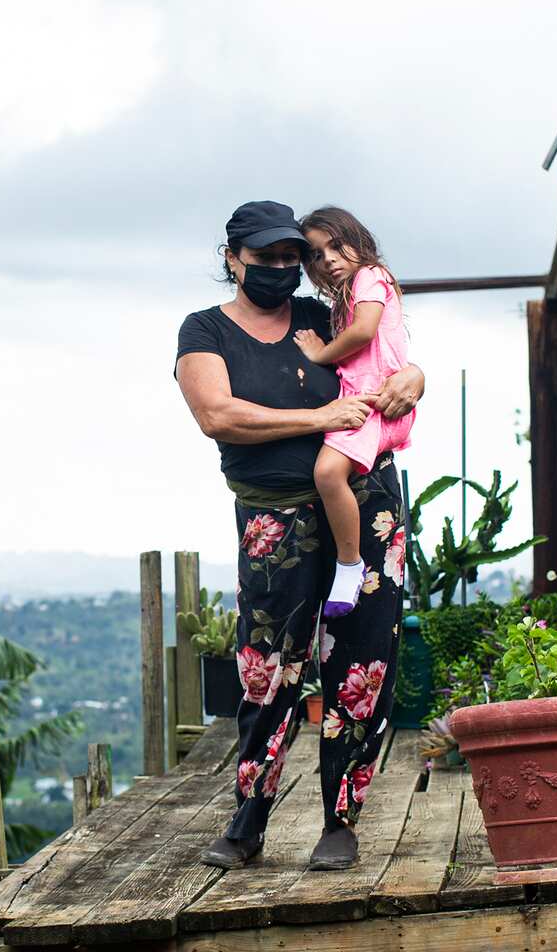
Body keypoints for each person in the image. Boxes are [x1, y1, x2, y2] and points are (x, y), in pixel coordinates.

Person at [175, 200, 425, 873]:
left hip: (366, 505)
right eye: (267, 258)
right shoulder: (204, 331)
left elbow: (390, 355)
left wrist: (415, 379)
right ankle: (250, 818)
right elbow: (217, 415)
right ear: (233, 260)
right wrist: (318, 415)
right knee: (266, 670)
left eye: (293, 257)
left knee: (363, 664)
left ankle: (340, 820)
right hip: (273, 518)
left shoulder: (323, 318)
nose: (284, 268)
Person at [294, 207, 415, 618]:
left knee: (328, 473)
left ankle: (349, 564)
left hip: (375, 402)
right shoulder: (346, 295)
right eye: (315, 253)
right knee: (334, 476)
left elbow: (363, 333)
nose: (327, 258)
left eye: (335, 245)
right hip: (369, 399)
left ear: (357, 240)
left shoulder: (371, 277)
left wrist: (318, 353)